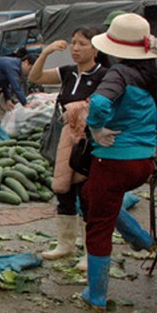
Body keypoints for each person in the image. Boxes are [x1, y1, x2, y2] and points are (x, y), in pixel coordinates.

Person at [80, 13, 157, 311]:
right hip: (143, 165)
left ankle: (96, 295)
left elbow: (99, 103)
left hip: (113, 163)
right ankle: (139, 237)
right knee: (90, 198)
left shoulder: (119, 74)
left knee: (98, 224)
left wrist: (96, 129)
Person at [28, 27, 108, 261]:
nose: (75, 48)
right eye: (73, 42)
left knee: (87, 196)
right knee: (64, 191)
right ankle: (65, 245)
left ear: (95, 48)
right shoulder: (68, 73)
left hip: (92, 142)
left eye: (82, 44)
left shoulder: (104, 75)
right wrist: (46, 53)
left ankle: (89, 252)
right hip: (65, 140)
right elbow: (35, 77)